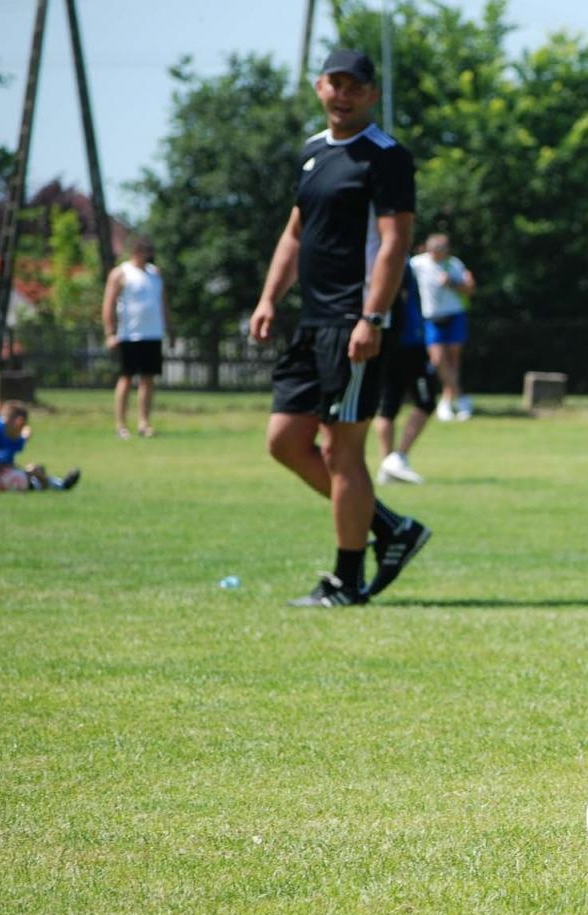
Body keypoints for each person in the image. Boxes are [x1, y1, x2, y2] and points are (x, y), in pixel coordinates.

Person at [248, 48, 430, 608]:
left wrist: (373, 317)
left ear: (371, 94)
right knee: (284, 441)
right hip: (313, 323)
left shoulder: (386, 157)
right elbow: (295, 233)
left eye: (355, 87)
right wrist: (268, 298)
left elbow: (395, 243)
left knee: (341, 452)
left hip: (356, 322)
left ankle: (346, 582)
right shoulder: (311, 154)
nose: (343, 95)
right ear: (318, 87)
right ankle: (389, 528)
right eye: (335, 84)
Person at [374, 262, 439, 484]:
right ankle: (396, 458)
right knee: (426, 400)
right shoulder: (396, 259)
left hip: (390, 343)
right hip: (407, 343)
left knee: (389, 404)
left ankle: (388, 465)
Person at [102, 237, 171, 439]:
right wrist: (110, 333)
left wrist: (169, 328)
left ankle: (144, 423)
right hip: (129, 335)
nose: (148, 254)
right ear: (135, 251)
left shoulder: (155, 273)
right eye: (145, 250)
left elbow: (163, 303)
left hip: (153, 333)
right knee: (126, 378)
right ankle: (121, 425)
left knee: (148, 380)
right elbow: (108, 304)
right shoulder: (120, 273)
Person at [409, 233, 476, 421]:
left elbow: (469, 289)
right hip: (431, 317)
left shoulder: (454, 264)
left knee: (453, 360)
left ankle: (446, 403)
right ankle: (461, 398)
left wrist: (452, 283)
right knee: (438, 360)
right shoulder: (418, 264)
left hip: (454, 315)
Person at [0, 401, 81, 491]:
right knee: (15, 477)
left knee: (24, 472)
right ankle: (55, 485)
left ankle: (57, 484)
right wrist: (6, 468)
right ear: (19, 422)